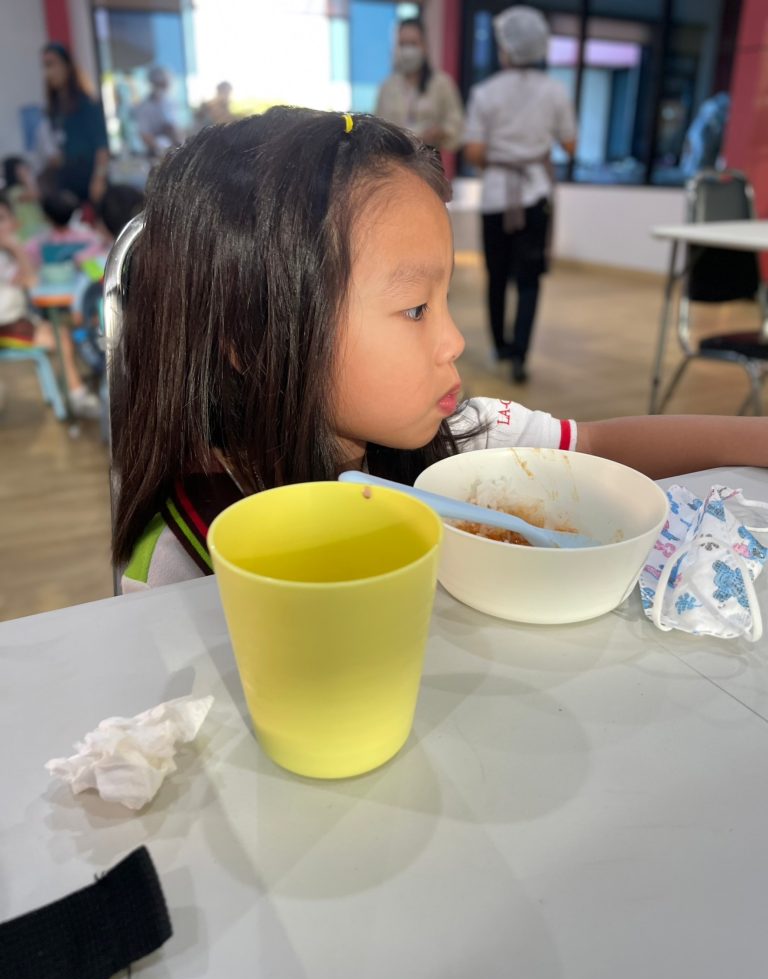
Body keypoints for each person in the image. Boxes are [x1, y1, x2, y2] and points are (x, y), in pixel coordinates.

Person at [111, 107, 768, 591]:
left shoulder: (459, 442)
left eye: (446, 298)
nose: (454, 341)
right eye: (415, 309)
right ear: (251, 338)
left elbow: (593, 447)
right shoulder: (184, 554)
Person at [463, 5, 577, 383]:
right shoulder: (555, 91)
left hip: (497, 196)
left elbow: (474, 152)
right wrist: (535, 145)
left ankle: (500, 345)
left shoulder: (484, 93)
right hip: (536, 195)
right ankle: (521, 357)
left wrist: (500, 154)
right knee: (529, 280)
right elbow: (571, 144)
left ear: (506, 49)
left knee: (496, 276)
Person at [0, 191, 99, 418]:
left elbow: (29, 278)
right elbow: (32, 280)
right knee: (61, 336)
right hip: (9, 326)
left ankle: (74, 389)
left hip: (19, 320)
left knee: (63, 332)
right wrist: (15, 248)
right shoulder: (13, 252)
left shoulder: (26, 246)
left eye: (3, 218)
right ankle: (76, 394)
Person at [375, 18, 464, 152]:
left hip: (428, 159)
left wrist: (439, 132)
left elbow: (457, 129)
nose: (408, 50)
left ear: (424, 46)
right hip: (394, 159)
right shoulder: (387, 86)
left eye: (413, 43)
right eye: (403, 44)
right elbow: (376, 130)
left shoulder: (442, 84)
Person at [37, 43, 109, 206]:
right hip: (66, 181)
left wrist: (99, 179)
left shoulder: (87, 103)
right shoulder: (54, 109)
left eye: (52, 64)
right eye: (45, 66)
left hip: (89, 179)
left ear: (67, 65)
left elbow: (102, 147)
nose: (49, 72)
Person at [133, 67, 180, 158]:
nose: (164, 88)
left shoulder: (171, 103)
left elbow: (174, 128)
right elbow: (144, 135)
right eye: (161, 84)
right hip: (155, 154)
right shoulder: (144, 107)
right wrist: (160, 146)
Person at [2, 156, 46, 241]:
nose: (25, 170)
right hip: (26, 229)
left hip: (35, 227)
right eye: (21, 169)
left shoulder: (23, 188)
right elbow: (34, 195)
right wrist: (26, 177)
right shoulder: (14, 191)